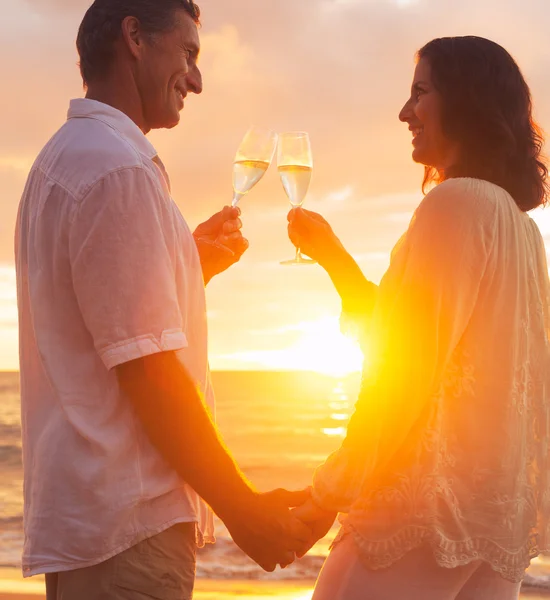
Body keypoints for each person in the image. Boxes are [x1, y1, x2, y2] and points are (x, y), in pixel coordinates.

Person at [15, 1, 311, 598]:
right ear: (135, 39)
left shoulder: (62, 159)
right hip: (129, 530)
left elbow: (99, 324)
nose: (197, 80)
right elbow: (150, 376)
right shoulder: (117, 170)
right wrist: (243, 508)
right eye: (189, 53)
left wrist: (187, 265)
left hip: (94, 525)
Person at [289, 36, 550, 599]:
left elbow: (401, 375)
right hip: (490, 530)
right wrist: (335, 258)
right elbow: (403, 332)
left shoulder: (453, 205)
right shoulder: (522, 230)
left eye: (420, 93)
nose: (405, 113)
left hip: (416, 524)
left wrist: (325, 495)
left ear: (466, 101)